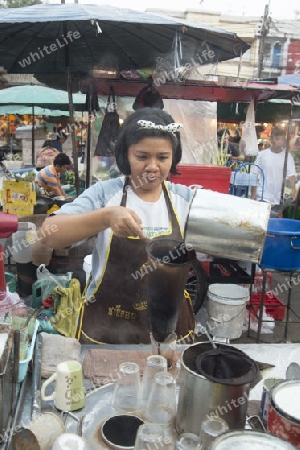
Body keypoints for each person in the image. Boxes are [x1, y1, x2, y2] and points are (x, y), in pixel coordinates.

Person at [39, 108, 196, 345]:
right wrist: (105, 218)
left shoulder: (187, 200)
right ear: (125, 155)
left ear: (174, 157)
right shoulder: (105, 194)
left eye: (162, 157)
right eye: (142, 157)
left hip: (168, 331)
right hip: (106, 329)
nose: (153, 166)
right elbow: (49, 234)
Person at [251, 127, 297, 208]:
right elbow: (254, 174)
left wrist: (293, 190)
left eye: (283, 139)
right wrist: (253, 194)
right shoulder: (262, 155)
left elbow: (291, 175)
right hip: (262, 196)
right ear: (272, 140)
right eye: (278, 139)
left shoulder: (287, 157)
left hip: (278, 197)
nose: (281, 142)